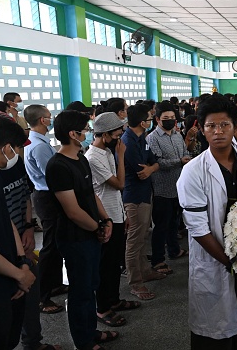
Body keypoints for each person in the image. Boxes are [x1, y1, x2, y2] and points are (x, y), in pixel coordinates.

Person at [176, 95, 237, 349]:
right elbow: (198, 228)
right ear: (202, 129)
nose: (218, 131)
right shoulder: (193, 171)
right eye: (211, 126)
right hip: (214, 259)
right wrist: (230, 261)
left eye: (224, 125)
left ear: (235, 126)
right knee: (214, 331)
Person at [45, 110, 118, 350]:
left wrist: (105, 220)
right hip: (74, 237)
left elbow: (91, 194)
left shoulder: (81, 158)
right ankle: (83, 340)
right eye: (83, 130)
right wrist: (97, 227)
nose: (87, 133)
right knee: (81, 290)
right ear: (72, 134)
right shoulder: (58, 166)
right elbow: (72, 210)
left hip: (91, 233)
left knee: (91, 285)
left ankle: (90, 331)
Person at [86, 112, 141, 328]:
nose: (120, 136)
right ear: (105, 134)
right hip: (105, 216)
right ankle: (102, 308)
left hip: (116, 214)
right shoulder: (93, 157)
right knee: (106, 265)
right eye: (117, 133)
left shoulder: (107, 151)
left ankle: (114, 299)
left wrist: (124, 214)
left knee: (114, 263)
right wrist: (120, 156)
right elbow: (119, 183)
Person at [0, 113, 37, 350]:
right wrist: (18, 273)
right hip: (3, 275)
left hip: (11, 270)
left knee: (9, 335)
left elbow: (8, 220)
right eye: (17, 149)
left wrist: (22, 262)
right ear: (6, 148)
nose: (19, 154)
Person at [23, 104, 65, 314]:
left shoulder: (38, 141)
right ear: (42, 120)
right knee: (50, 246)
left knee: (56, 244)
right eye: (49, 117)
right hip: (47, 197)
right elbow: (52, 174)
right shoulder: (38, 145)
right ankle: (42, 297)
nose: (51, 120)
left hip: (47, 194)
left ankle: (55, 284)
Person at [122, 104, 164, 301]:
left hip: (145, 193)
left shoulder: (141, 139)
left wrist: (152, 167)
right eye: (149, 118)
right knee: (134, 241)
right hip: (135, 197)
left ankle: (144, 271)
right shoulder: (128, 142)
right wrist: (151, 167)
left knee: (142, 237)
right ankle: (135, 283)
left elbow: (153, 162)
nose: (151, 120)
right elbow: (141, 171)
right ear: (142, 122)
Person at [146, 102, 190, 276]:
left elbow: (185, 152)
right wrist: (179, 161)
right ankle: (158, 259)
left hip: (178, 186)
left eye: (173, 118)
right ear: (157, 119)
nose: (171, 121)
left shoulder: (177, 135)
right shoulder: (152, 138)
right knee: (161, 225)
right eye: (166, 119)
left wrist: (187, 158)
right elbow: (157, 162)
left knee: (174, 222)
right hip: (162, 188)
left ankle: (174, 250)